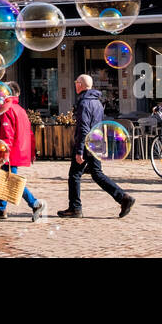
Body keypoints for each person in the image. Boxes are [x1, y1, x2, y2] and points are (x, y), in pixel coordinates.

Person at [58, 75, 135, 219]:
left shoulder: (84, 103)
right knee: (97, 174)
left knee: (74, 175)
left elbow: (83, 128)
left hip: (86, 143)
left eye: (76, 82)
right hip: (97, 142)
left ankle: (75, 208)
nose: (75, 85)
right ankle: (123, 198)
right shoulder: (97, 102)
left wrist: (80, 151)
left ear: (80, 85)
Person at [0, 86, 46, 221]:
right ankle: (1, 209)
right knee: (5, 179)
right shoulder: (20, 109)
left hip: (9, 152)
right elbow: (29, 133)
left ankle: (35, 204)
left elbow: (8, 134)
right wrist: (31, 151)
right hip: (18, 150)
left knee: (12, 180)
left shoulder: (6, 109)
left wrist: (5, 153)